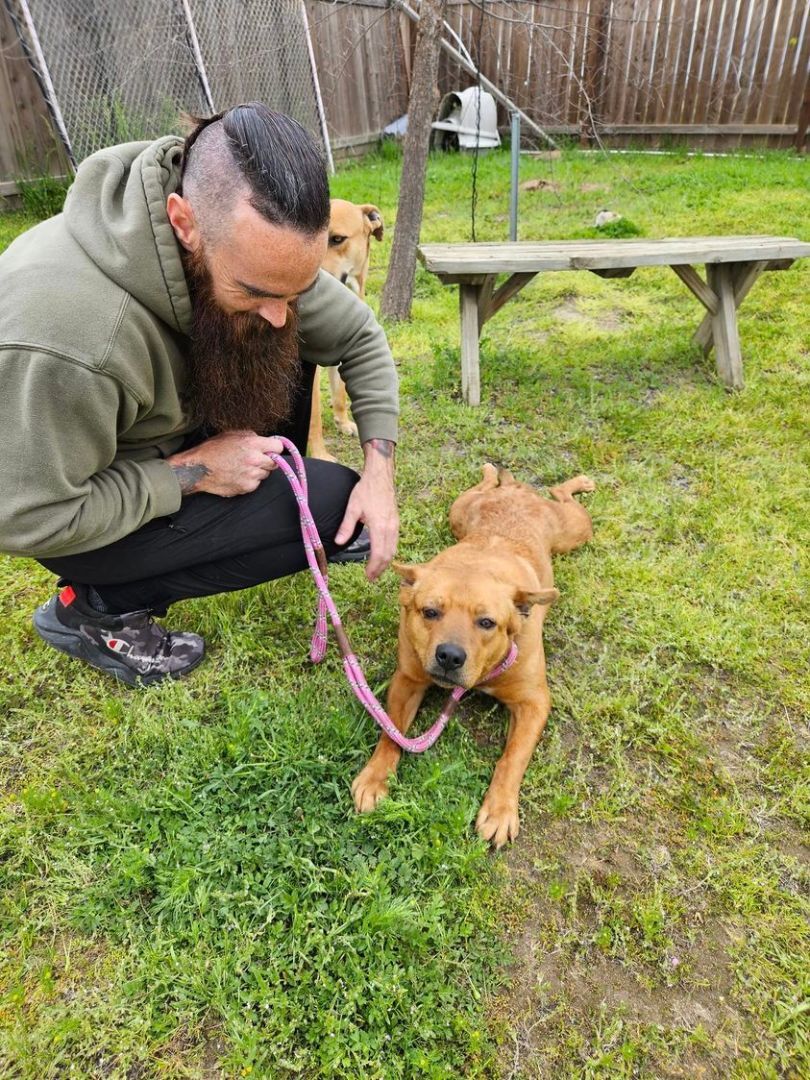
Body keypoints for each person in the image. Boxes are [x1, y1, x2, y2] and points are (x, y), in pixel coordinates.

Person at [0, 103, 399, 686]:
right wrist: (193, 473)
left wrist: (380, 474)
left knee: (344, 486)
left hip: (165, 430)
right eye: (258, 290)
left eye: (295, 291)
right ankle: (95, 607)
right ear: (183, 223)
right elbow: (27, 516)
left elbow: (360, 337)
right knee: (329, 505)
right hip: (75, 498)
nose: (281, 315)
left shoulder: (258, 253)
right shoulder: (72, 339)